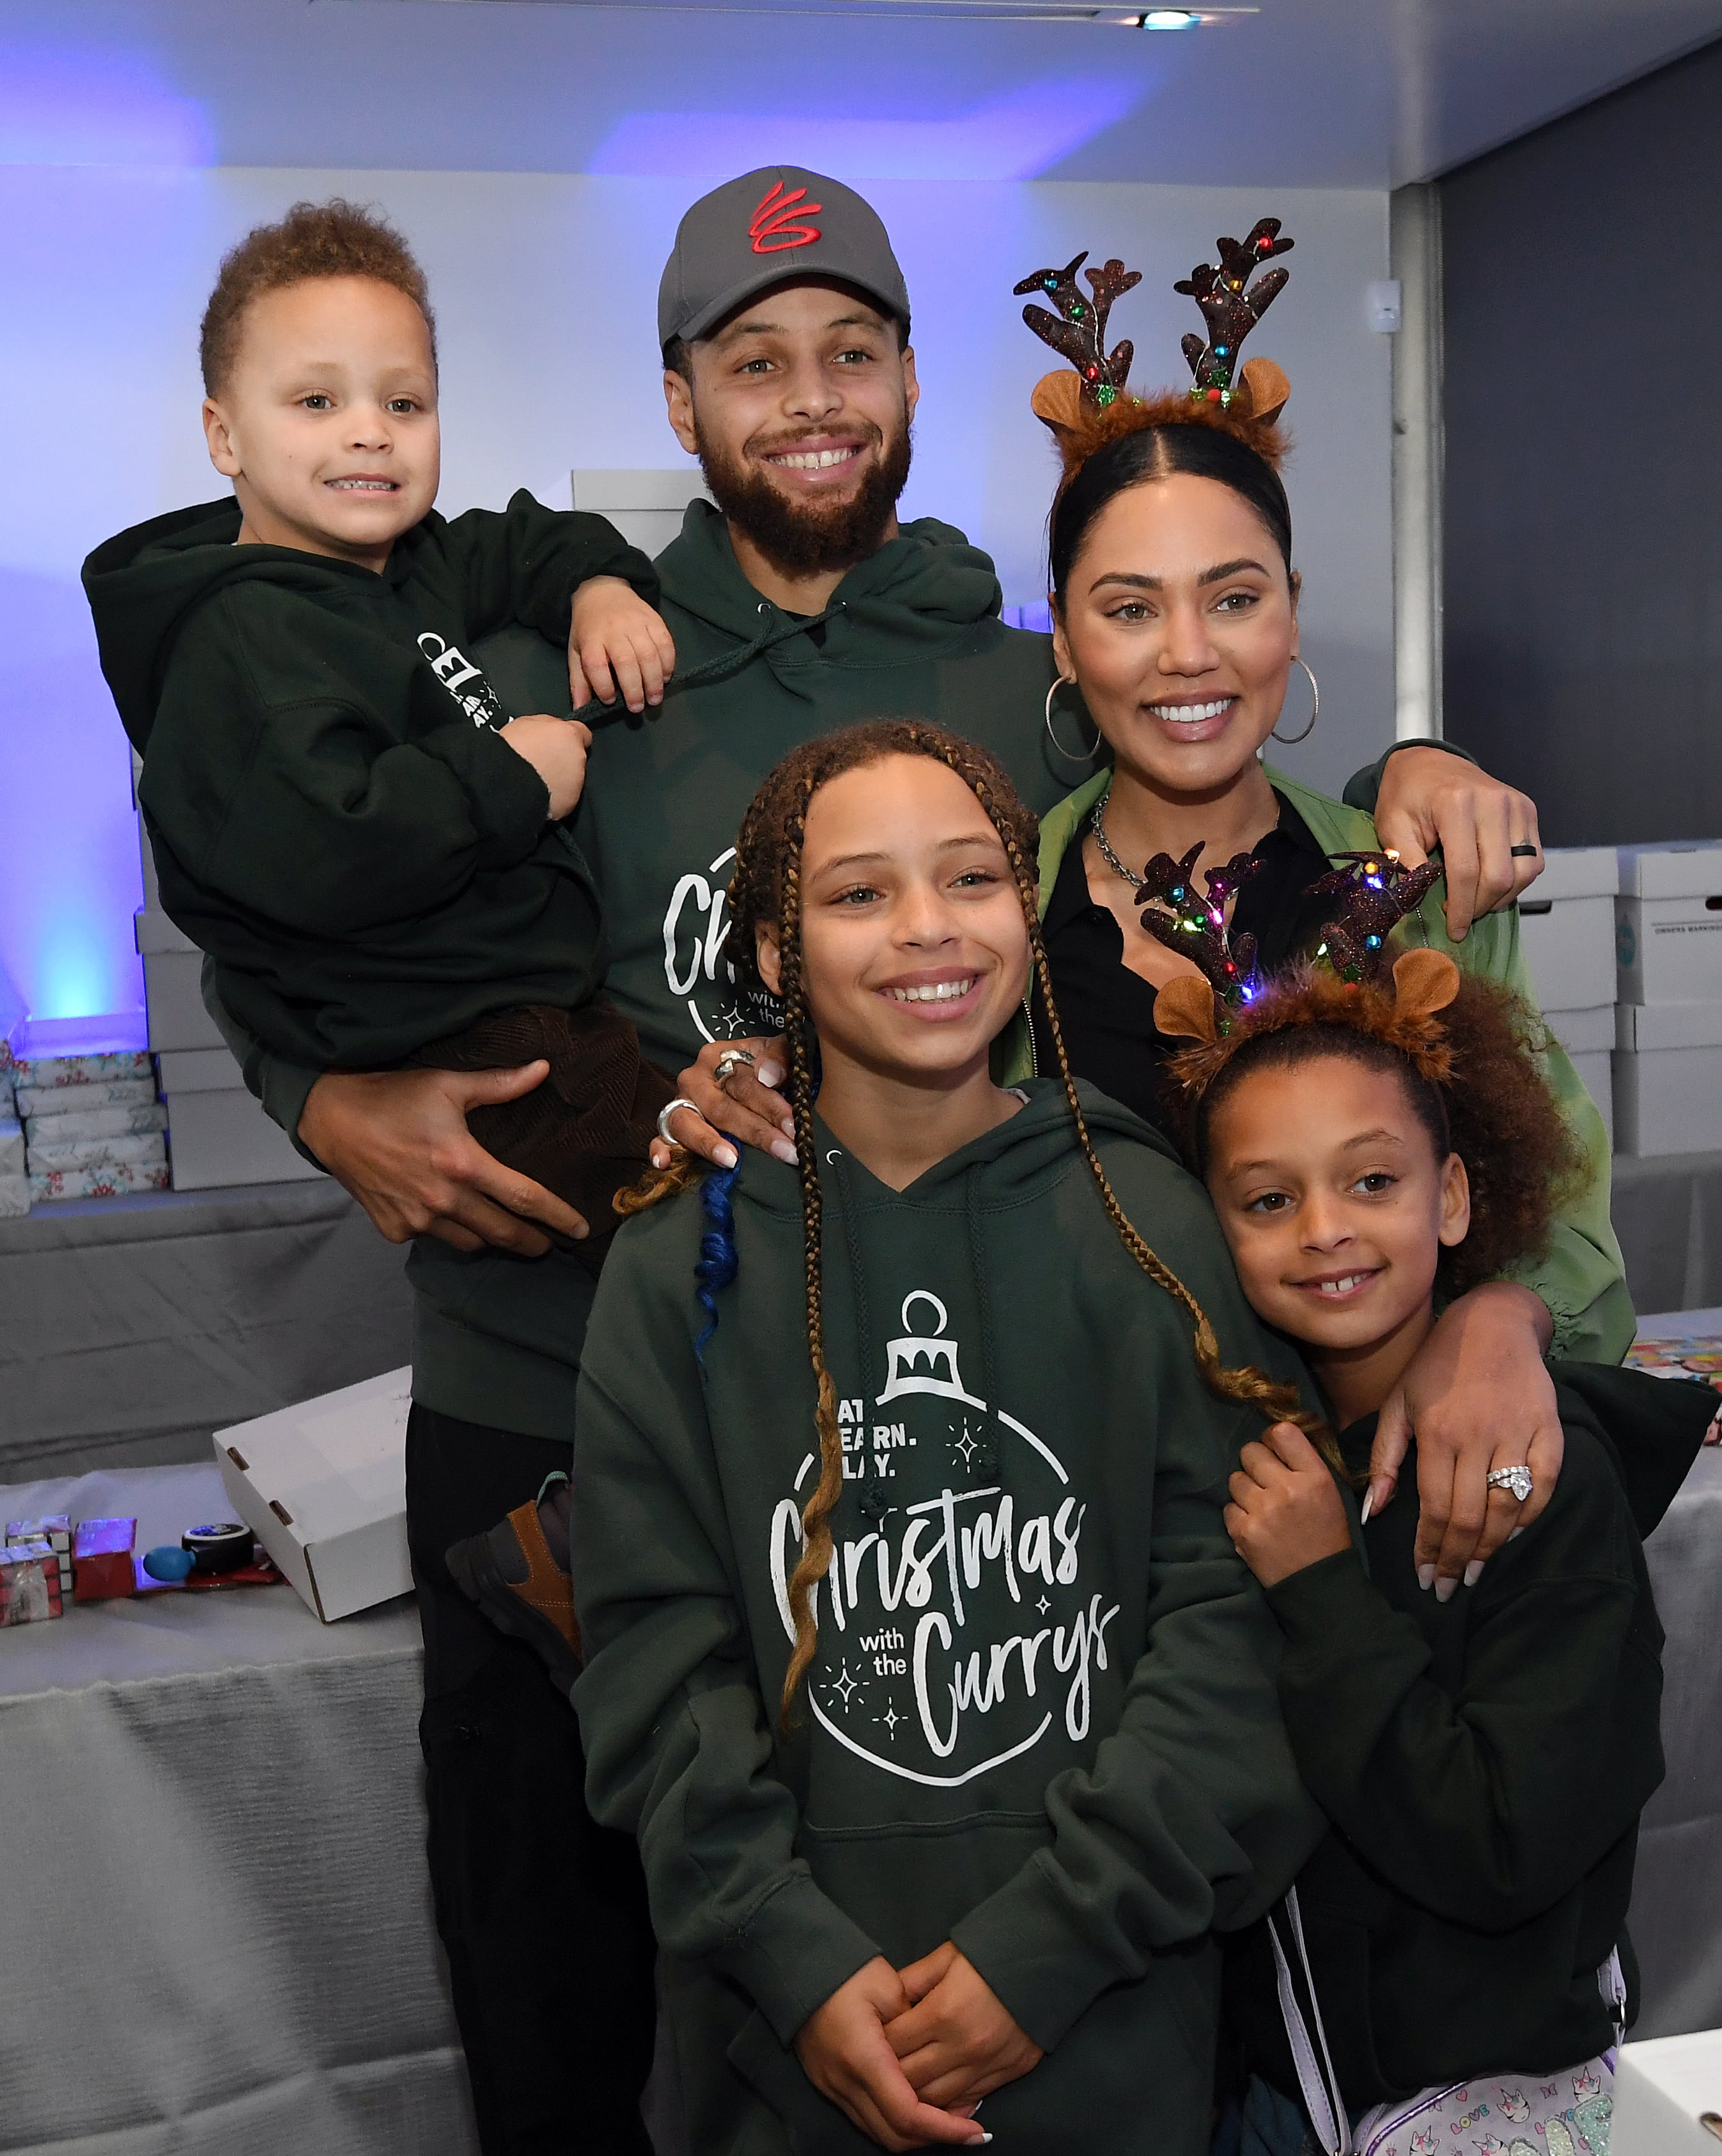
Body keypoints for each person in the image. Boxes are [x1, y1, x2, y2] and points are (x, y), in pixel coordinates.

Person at [204, 172, 1551, 2150]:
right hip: (556, 1377)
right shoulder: (577, 651)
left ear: (916, 380)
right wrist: (309, 1089)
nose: (808, 401)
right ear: (680, 407)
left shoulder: (1014, 669)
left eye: (850, 353)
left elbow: (1209, 738)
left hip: (976, 1371)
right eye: (753, 365)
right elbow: (298, 858)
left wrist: (1415, 771)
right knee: (579, 1989)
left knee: (1006, 1842)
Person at [665, 220, 1625, 1599]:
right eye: (1128, 608)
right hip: (1083, 1571)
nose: (1186, 654)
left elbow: (1569, 1223)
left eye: (1231, 598)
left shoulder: (1419, 886)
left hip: (1405, 1546)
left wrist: (1502, 1317)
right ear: (1060, 633)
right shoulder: (993, 929)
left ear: (1289, 614)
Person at [571, 721, 1324, 2155]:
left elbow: (1231, 1620)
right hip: (785, 2053)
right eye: (857, 893)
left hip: (1106, 2025)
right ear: (777, 954)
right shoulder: (681, 1261)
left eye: (970, 877)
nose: (925, 928)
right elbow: (652, 1658)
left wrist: (1047, 1945)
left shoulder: (1148, 1223)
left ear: (1018, 910)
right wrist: (794, 1957)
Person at [1143, 933, 1709, 2155]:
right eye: (1266, 1200)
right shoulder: (1260, 1460)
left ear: (1451, 1197)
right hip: (1277, 2092)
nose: (1324, 1232)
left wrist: (1322, 1593)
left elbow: (1503, 1846)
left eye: (1371, 1183)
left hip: (1476, 2101)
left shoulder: (1543, 1484)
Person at [82, 198, 676, 1264]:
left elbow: (533, 538)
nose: (369, 430)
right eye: (316, 399)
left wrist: (598, 584)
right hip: (426, 1030)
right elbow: (326, 848)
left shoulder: (419, 562)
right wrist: (512, 777)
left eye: (404, 401)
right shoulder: (241, 636)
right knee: (687, 1211)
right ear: (225, 435)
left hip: (517, 997)